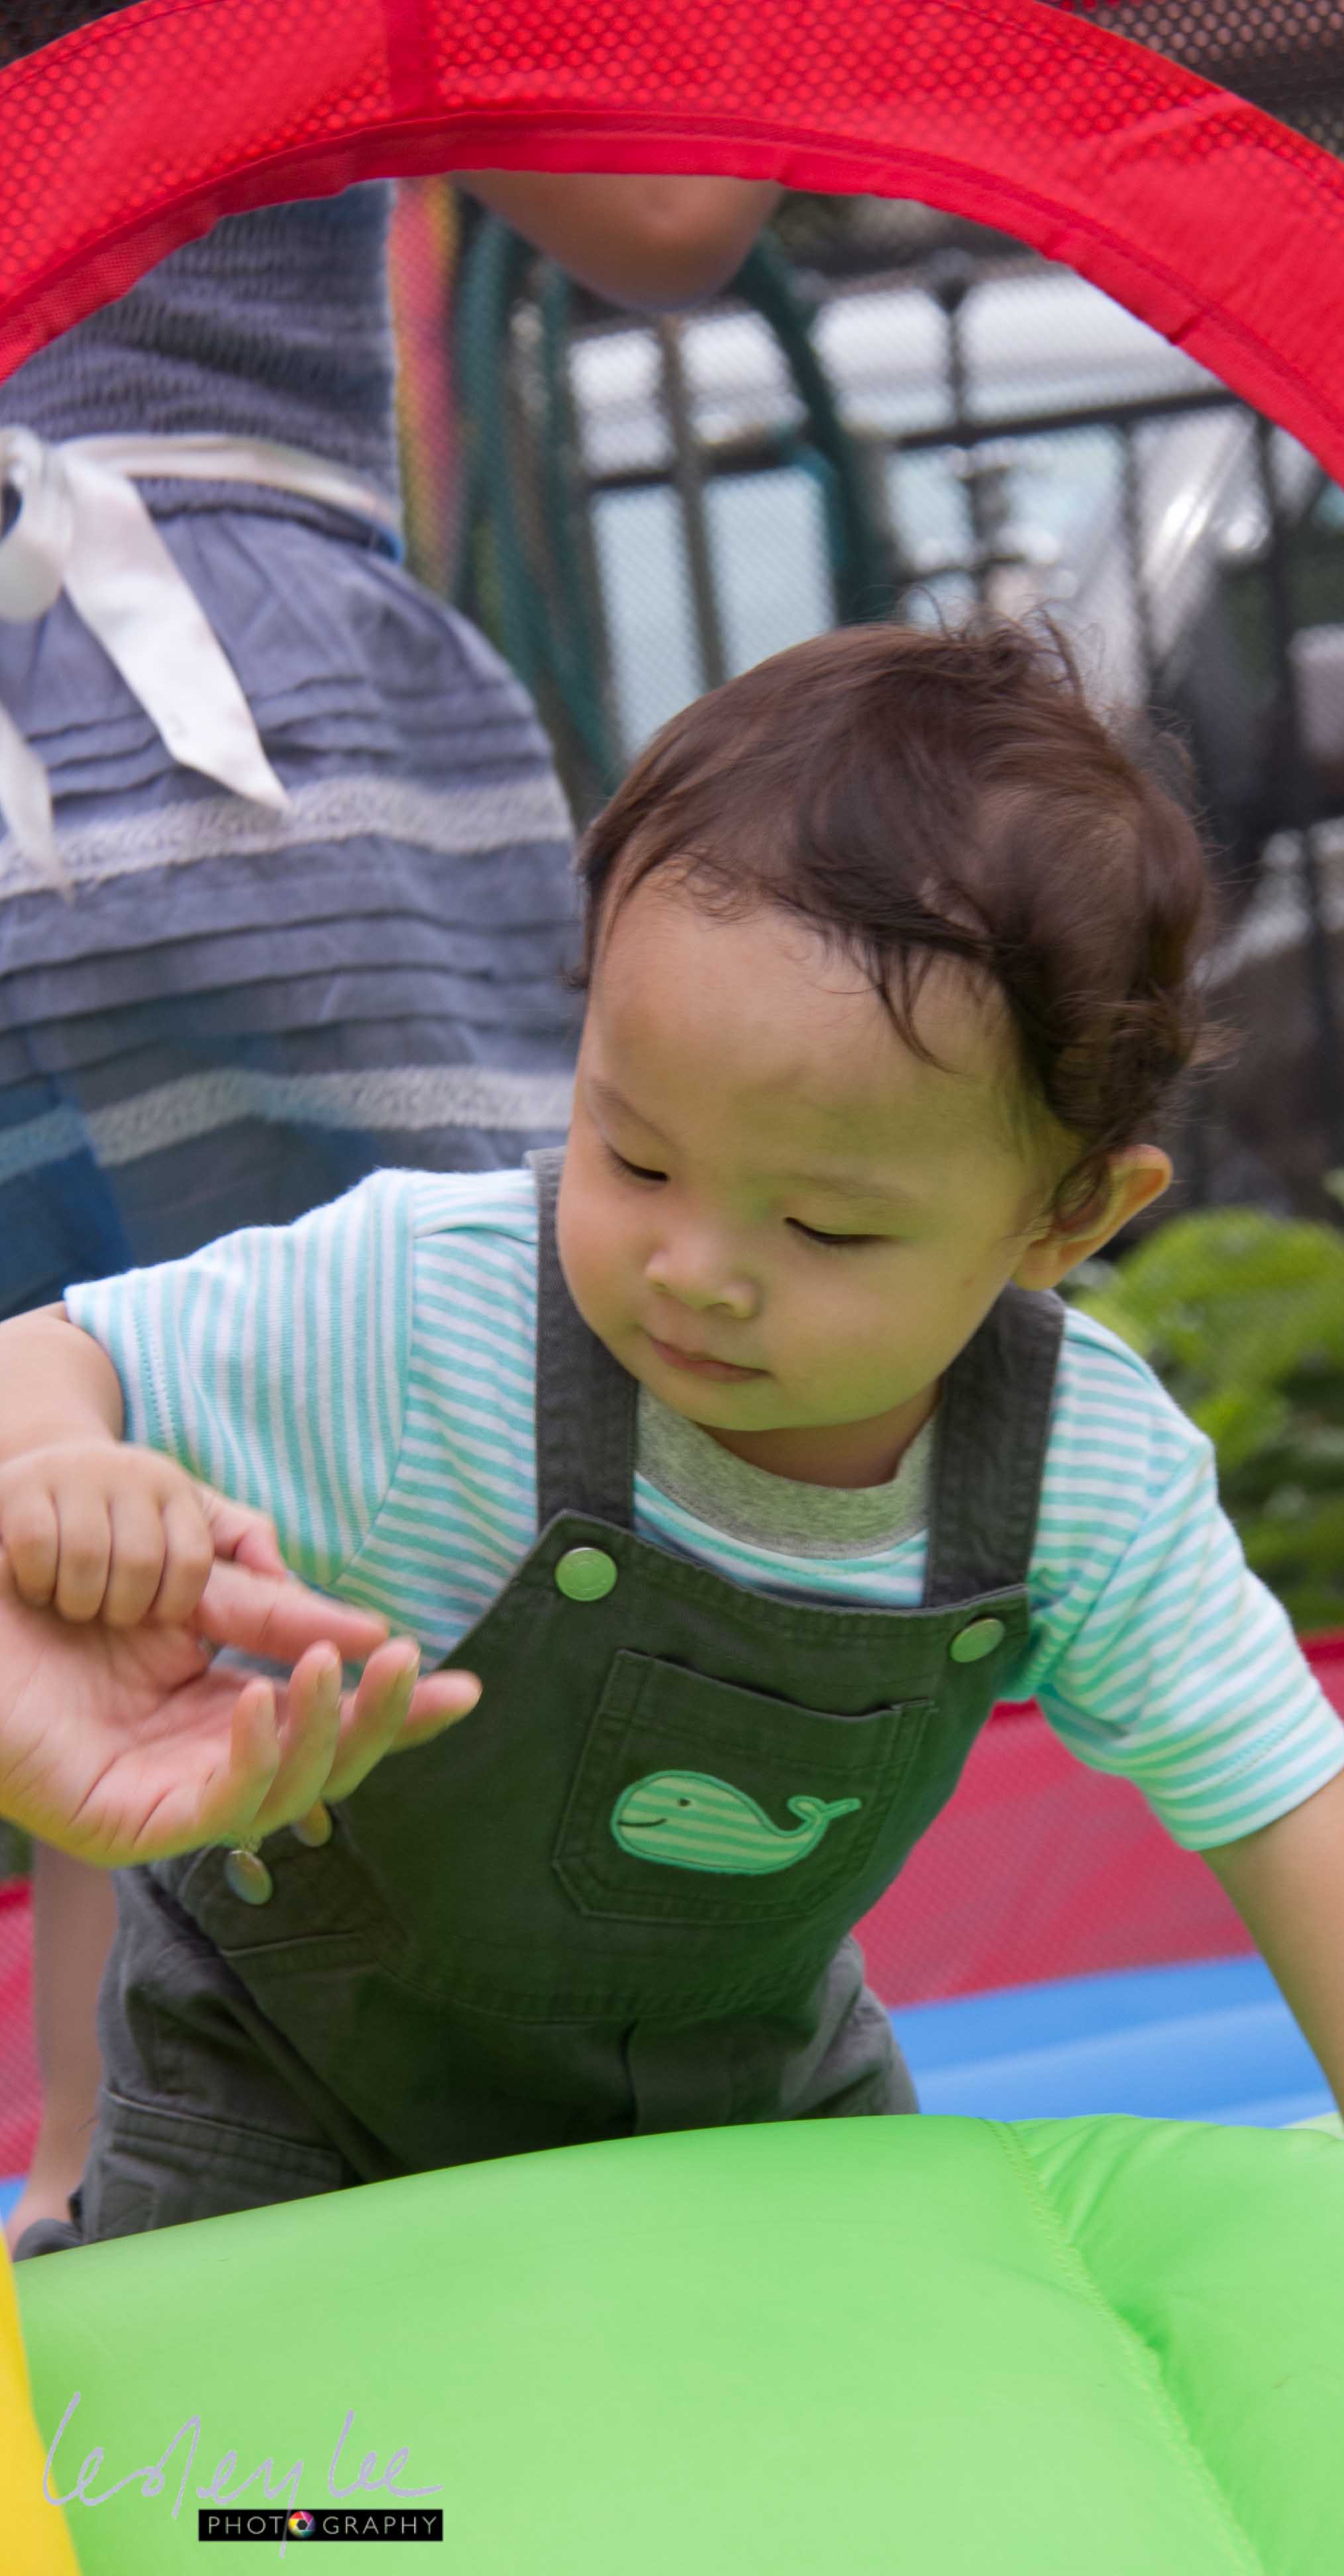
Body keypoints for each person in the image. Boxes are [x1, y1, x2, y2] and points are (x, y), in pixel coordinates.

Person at [0, 619, 1344, 2261]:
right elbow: (54, 1355)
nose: (696, 1270)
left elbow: (1282, 1802)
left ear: (1068, 1218)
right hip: (288, 2104)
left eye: (826, 1228)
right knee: (256, 2439)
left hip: (752, 2108)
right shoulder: (429, 1307)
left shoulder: (1073, 1464)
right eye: (635, 1155)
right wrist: (61, 1467)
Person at [0, 164, 779, 2245]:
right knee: (458, 1408)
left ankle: (98, 2168)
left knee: (93, 1510)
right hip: (242, 751)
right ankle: (571, 2077)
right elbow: (676, 210)